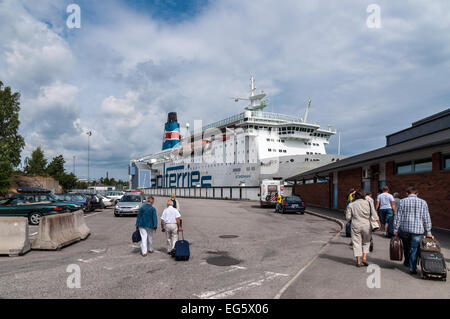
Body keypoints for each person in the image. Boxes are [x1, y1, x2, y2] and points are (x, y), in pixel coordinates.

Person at [393, 187, 433, 275]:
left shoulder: (402, 201)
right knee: (414, 248)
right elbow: (426, 217)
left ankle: (407, 262)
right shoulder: (423, 202)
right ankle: (412, 267)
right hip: (418, 230)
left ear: (407, 193)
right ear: (417, 193)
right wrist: (428, 232)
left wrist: (395, 229)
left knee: (406, 247)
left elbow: (398, 216)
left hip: (404, 229)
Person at [346, 189, 379, 267]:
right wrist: (377, 221)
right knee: (366, 242)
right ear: (364, 195)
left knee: (356, 243)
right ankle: (364, 258)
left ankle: (358, 260)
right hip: (367, 225)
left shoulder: (351, 205)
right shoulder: (368, 203)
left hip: (355, 225)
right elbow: (374, 214)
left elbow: (348, 217)